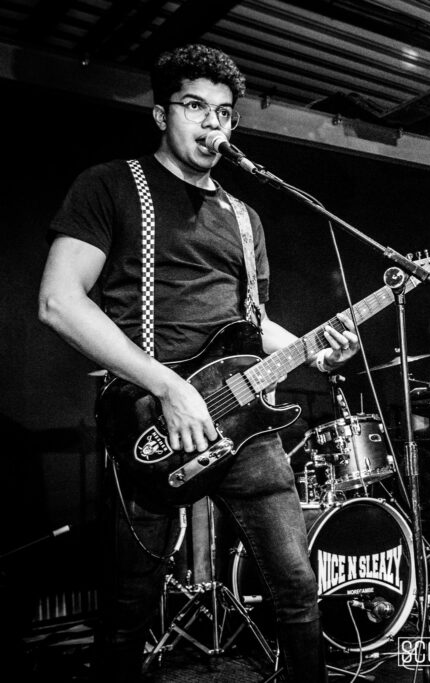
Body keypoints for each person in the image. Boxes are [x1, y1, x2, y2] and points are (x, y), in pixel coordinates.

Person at [38, 44, 358, 682]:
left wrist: (314, 348)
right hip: (149, 419)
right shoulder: (110, 186)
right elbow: (58, 301)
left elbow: (253, 323)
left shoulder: (243, 217)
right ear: (162, 114)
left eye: (225, 112)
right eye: (195, 106)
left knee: (298, 589)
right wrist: (168, 386)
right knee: (128, 609)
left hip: (243, 422)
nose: (213, 123)